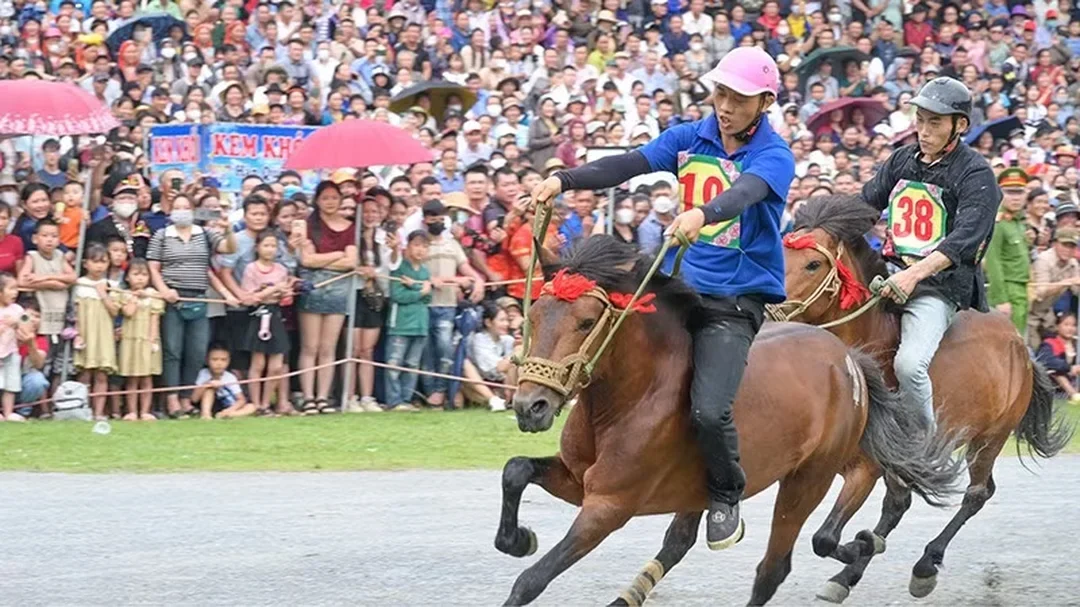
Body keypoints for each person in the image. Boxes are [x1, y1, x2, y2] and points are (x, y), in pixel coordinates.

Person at [531, 47, 795, 549]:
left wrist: (703, 214)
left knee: (709, 410)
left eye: (738, 99)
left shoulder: (774, 155)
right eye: (720, 94)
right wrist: (562, 179)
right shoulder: (688, 137)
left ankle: (725, 494)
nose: (725, 106)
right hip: (680, 289)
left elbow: (744, 194)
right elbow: (628, 164)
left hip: (735, 301)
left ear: (764, 103)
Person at [858, 76, 1001, 434]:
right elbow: (865, 206)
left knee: (909, 365)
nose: (923, 131)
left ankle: (924, 446)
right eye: (920, 120)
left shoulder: (976, 174)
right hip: (890, 269)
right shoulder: (902, 159)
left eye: (934, 123)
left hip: (939, 285)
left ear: (960, 125)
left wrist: (913, 274)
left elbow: (963, 240)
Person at [240, 231, 293, 416]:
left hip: (276, 314)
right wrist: (272, 290)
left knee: (276, 365)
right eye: (266, 245)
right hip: (258, 315)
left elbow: (285, 297)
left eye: (273, 246)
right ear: (257, 247)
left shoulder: (281, 269)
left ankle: (266, 402)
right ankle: (256, 404)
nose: (270, 249)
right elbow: (249, 298)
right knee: (258, 363)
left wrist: (286, 292)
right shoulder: (251, 269)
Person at [73, 243, 121, 420]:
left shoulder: (112, 285)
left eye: (103, 261)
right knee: (85, 373)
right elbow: (75, 313)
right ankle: (82, 410)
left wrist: (103, 294)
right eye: (95, 261)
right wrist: (77, 333)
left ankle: (98, 412)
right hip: (86, 332)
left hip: (104, 334)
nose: (99, 266)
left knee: (102, 374)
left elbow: (114, 311)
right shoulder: (79, 284)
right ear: (86, 263)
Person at [385, 230, 432, 412]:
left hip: (420, 324)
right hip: (400, 323)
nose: (420, 250)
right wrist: (420, 291)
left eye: (425, 246)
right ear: (408, 246)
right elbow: (398, 295)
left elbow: (428, 298)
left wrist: (415, 287)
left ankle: (406, 398)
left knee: (412, 365)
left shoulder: (425, 271)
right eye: (416, 245)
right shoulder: (399, 267)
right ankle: (394, 400)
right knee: (394, 363)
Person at [984, 167, 1031, 335]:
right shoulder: (998, 224)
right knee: (1007, 341)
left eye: (1019, 192)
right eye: (1010, 192)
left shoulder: (1018, 223)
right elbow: (993, 262)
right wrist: (1001, 299)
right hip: (1007, 289)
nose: (1016, 197)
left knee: (1018, 340)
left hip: (1021, 288)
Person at [115, 258, 163, 421]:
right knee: (132, 377)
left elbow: (155, 319)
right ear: (127, 277)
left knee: (147, 378)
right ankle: (132, 411)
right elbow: (128, 312)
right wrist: (134, 297)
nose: (140, 278)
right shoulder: (123, 294)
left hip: (147, 339)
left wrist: (152, 340)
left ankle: (145, 411)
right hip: (130, 339)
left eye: (144, 275)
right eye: (136, 274)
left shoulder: (154, 295)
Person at [1029, 228, 1080, 348]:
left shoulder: (1073, 263)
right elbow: (1040, 293)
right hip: (1031, 314)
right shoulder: (1043, 260)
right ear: (1055, 243)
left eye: (1072, 246)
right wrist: (1067, 282)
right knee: (1030, 351)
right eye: (1064, 245)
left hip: (1050, 317)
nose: (1068, 250)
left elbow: (1076, 291)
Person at [463, 300, 514, 411]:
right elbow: (499, 368)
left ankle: (511, 399)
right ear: (488, 322)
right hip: (482, 384)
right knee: (465, 364)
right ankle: (493, 399)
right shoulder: (479, 340)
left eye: (507, 320)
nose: (506, 324)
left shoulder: (508, 340)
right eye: (502, 320)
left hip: (503, 385)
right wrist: (518, 352)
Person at [193, 342, 253, 419]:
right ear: (207, 360)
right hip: (212, 404)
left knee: (251, 406)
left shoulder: (230, 377)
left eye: (223, 360)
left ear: (228, 361)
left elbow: (241, 400)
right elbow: (194, 399)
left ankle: (229, 414)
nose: (219, 363)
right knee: (210, 390)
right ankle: (206, 414)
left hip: (228, 406)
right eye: (214, 359)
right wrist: (207, 384)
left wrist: (229, 410)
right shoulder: (203, 373)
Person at [1034, 313, 1080, 402]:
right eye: (1066, 325)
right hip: (1055, 384)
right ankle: (1073, 395)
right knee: (1056, 372)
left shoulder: (1077, 344)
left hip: (1075, 379)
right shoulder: (1049, 343)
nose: (1070, 329)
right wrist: (1069, 368)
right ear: (1057, 326)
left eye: (1073, 325)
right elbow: (1045, 361)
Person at [0, 273, 25, 422]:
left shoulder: (17, 309)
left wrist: (17, 321)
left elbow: (26, 319)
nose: (15, 292)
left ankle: (8, 413)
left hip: (11, 351)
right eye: (11, 288)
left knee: (11, 384)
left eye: (16, 288)